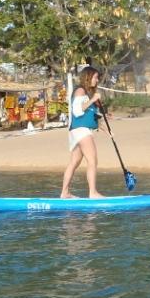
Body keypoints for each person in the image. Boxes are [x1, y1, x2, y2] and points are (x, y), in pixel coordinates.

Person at [60, 66, 108, 199]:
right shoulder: (80, 91)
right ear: (88, 77)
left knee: (74, 162)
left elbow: (93, 118)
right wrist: (92, 100)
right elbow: (77, 111)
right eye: (95, 77)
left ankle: (65, 193)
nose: (97, 80)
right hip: (81, 130)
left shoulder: (88, 93)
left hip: (78, 131)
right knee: (92, 161)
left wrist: (107, 131)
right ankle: (93, 193)